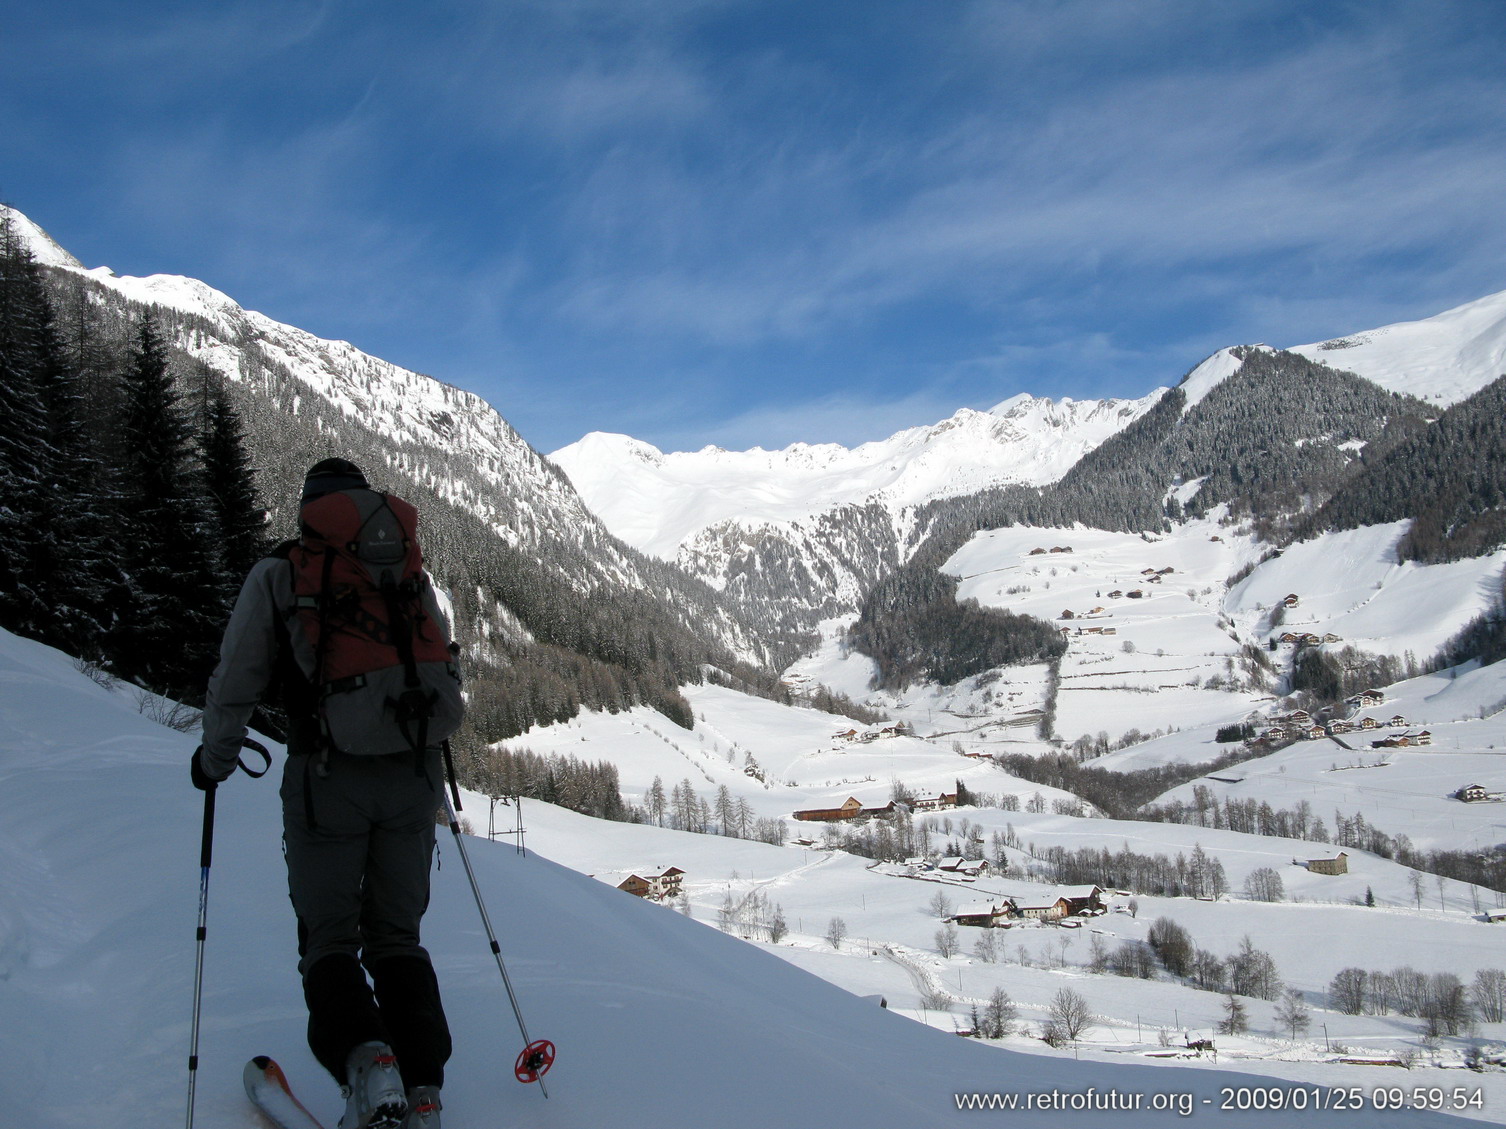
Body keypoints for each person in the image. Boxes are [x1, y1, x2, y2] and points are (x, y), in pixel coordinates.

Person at [193, 458, 453, 1129]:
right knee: (398, 937)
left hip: (328, 781)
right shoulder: (406, 570)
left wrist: (214, 759)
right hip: (414, 776)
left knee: (330, 939)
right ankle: (423, 1091)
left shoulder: (283, 572)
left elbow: (237, 679)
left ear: (310, 511)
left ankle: (370, 1068)